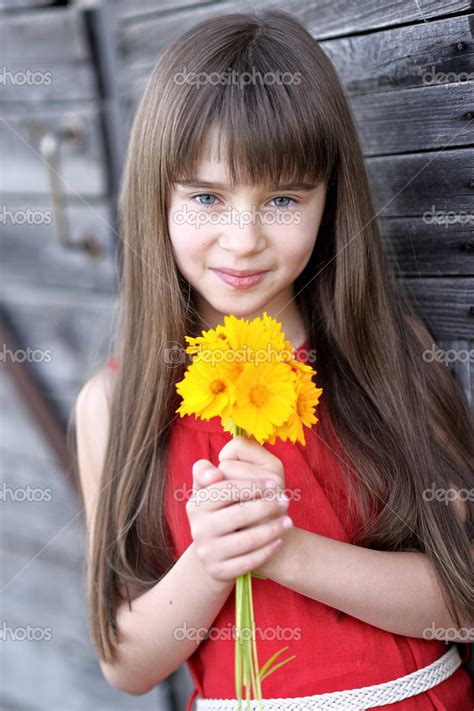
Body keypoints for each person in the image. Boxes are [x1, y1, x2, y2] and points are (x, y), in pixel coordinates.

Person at [73, 10, 474, 710]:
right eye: (205, 197)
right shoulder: (115, 404)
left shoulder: (390, 352)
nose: (243, 240)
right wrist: (211, 560)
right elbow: (126, 664)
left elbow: (463, 600)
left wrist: (286, 548)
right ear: (154, 201)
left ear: (330, 201)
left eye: (283, 198)